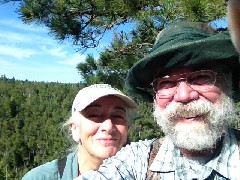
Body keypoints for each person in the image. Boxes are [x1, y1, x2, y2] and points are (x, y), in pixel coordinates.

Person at [78, 22, 240, 180]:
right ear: (154, 96)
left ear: (228, 84)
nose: (183, 96)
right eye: (166, 83)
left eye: (201, 77)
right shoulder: (137, 161)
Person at [21, 83, 137, 180]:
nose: (108, 126)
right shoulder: (41, 177)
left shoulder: (143, 174)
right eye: (95, 115)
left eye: (117, 116)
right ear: (74, 129)